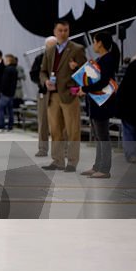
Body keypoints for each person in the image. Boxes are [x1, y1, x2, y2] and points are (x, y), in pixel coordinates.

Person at [39, 20, 87, 172]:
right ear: (54, 31)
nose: (63, 33)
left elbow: (86, 72)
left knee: (73, 130)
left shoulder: (77, 49)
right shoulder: (50, 50)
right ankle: (57, 160)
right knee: (55, 130)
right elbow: (43, 71)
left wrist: (77, 67)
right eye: (60, 30)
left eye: (66, 30)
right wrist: (46, 81)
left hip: (69, 95)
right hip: (52, 96)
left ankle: (72, 162)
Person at [79, 33, 119, 178]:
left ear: (100, 43)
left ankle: (105, 168)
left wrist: (85, 89)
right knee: (97, 135)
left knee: (103, 136)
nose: (93, 45)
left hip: (103, 102)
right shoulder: (100, 59)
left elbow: (103, 82)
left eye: (94, 42)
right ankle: (97, 166)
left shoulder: (108, 59)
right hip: (95, 102)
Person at [31, 37, 58, 157]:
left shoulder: (62, 58)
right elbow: (33, 74)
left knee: (60, 122)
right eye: (49, 46)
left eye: (54, 46)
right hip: (44, 92)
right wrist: (43, 82)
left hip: (59, 93)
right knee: (43, 122)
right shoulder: (39, 58)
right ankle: (42, 148)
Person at [0, 55, 18, 132]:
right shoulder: (14, 69)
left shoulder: (7, 69)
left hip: (5, 93)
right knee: (10, 110)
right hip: (11, 93)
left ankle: (2, 126)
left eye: (5, 60)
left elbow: (4, 82)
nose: (4, 61)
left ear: (9, 60)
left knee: (0, 109)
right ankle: (10, 126)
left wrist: (1, 90)